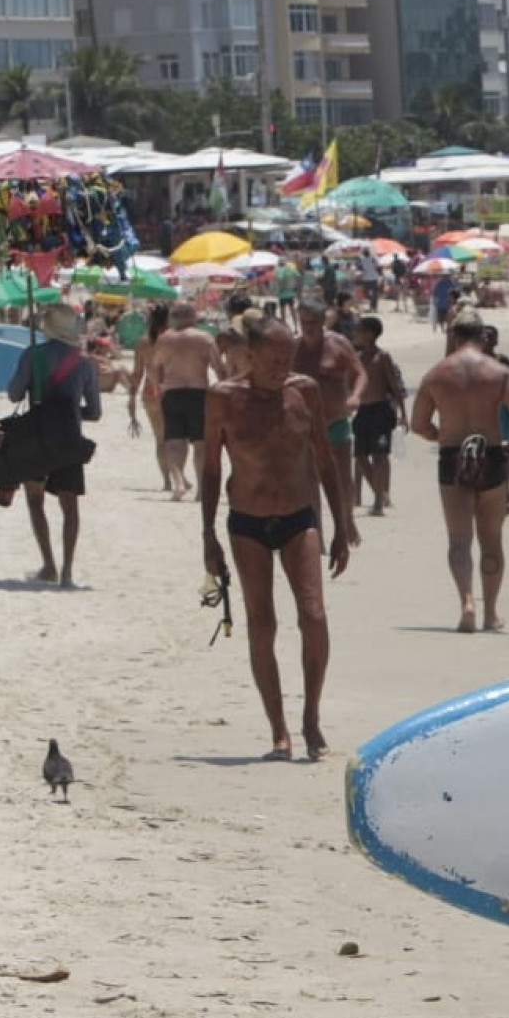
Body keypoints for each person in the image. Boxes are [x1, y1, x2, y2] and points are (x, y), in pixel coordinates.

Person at [200, 314, 350, 761]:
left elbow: (325, 459)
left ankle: (311, 719)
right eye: (271, 360)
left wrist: (342, 525)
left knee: (314, 617)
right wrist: (207, 535)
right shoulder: (222, 398)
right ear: (249, 355)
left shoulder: (304, 391)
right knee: (262, 623)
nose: (280, 368)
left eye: (287, 359)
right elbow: (210, 470)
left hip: (298, 517)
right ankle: (279, 730)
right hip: (246, 520)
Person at [411, 308, 509, 633]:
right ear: (482, 335)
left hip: (452, 456)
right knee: (491, 540)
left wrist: (439, 435)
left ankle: (466, 602)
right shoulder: (498, 372)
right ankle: (490, 612)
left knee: (459, 540)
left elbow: (418, 424)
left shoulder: (436, 374)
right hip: (491, 455)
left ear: (453, 335)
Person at [7, 305, 101, 588]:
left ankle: (49, 565)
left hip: (36, 435)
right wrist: (71, 411)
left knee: (35, 501)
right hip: (68, 437)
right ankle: (68, 571)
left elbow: (14, 394)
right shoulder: (84, 364)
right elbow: (95, 412)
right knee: (69, 505)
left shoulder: (32, 355)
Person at [294, 298, 365, 544]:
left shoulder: (339, 344)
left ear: (323, 321)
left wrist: (355, 395)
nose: (308, 327)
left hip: (335, 421)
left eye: (313, 322)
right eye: (303, 322)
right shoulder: (293, 348)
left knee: (342, 480)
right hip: (304, 426)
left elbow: (360, 374)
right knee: (309, 481)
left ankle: (346, 521)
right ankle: (318, 535)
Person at [151, 302, 221, 501]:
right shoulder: (205, 338)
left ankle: (179, 484)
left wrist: (159, 386)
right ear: (193, 317)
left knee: (174, 442)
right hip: (198, 393)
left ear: (174, 318)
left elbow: (155, 366)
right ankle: (200, 490)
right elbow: (218, 367)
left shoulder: (165, 339)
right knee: (200, 444)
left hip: (172, 392)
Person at [350, 316, 407, 516]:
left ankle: (377, 503)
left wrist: (403, 414)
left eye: (359, 330)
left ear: (370, 334)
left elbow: (394, 386)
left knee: (380, 456)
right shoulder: (356, 358)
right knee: (360, 456)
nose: (356, 333)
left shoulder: (382, 357)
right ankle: (380, 492)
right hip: (363, 411)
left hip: (381, 411)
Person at [125, 304, 174, 491]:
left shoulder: (143, 342)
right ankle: (178, 477)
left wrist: (131, 398)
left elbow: (137, 374)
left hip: (150, 393)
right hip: (172, 392)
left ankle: (167, 481)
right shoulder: (173, 339)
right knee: (176, 439)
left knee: (160, 440)